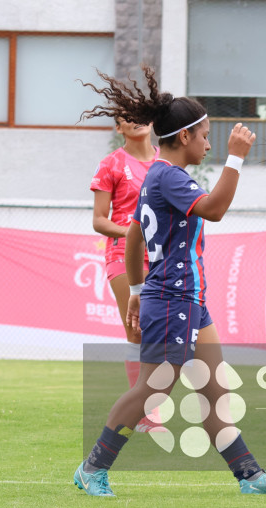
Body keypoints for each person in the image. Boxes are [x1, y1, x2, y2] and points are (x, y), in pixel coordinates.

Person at [73, 66, 266, 497]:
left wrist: (136, 291)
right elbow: (213, 210)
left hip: (188, 300)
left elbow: (137, 234)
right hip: (173, 298)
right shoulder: (169, 176)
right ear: (183, 138)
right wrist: (235, 157)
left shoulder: (159, 175)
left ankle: (250, 477)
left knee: (215, 390)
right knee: (151, 389)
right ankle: (92, 468)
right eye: (205, 135)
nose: (209, 143)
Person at [89, 115, 164, 433]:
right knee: (136, 330)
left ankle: (146, 407)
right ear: (118, 128)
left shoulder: (167, 160)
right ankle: (145, 415)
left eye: (142, 114)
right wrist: (133, 234)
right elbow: (98, 220)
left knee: (160, 335)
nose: (137, 121)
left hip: (163, 258)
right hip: (122, 255)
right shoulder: (111, 165)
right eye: (127, 118)